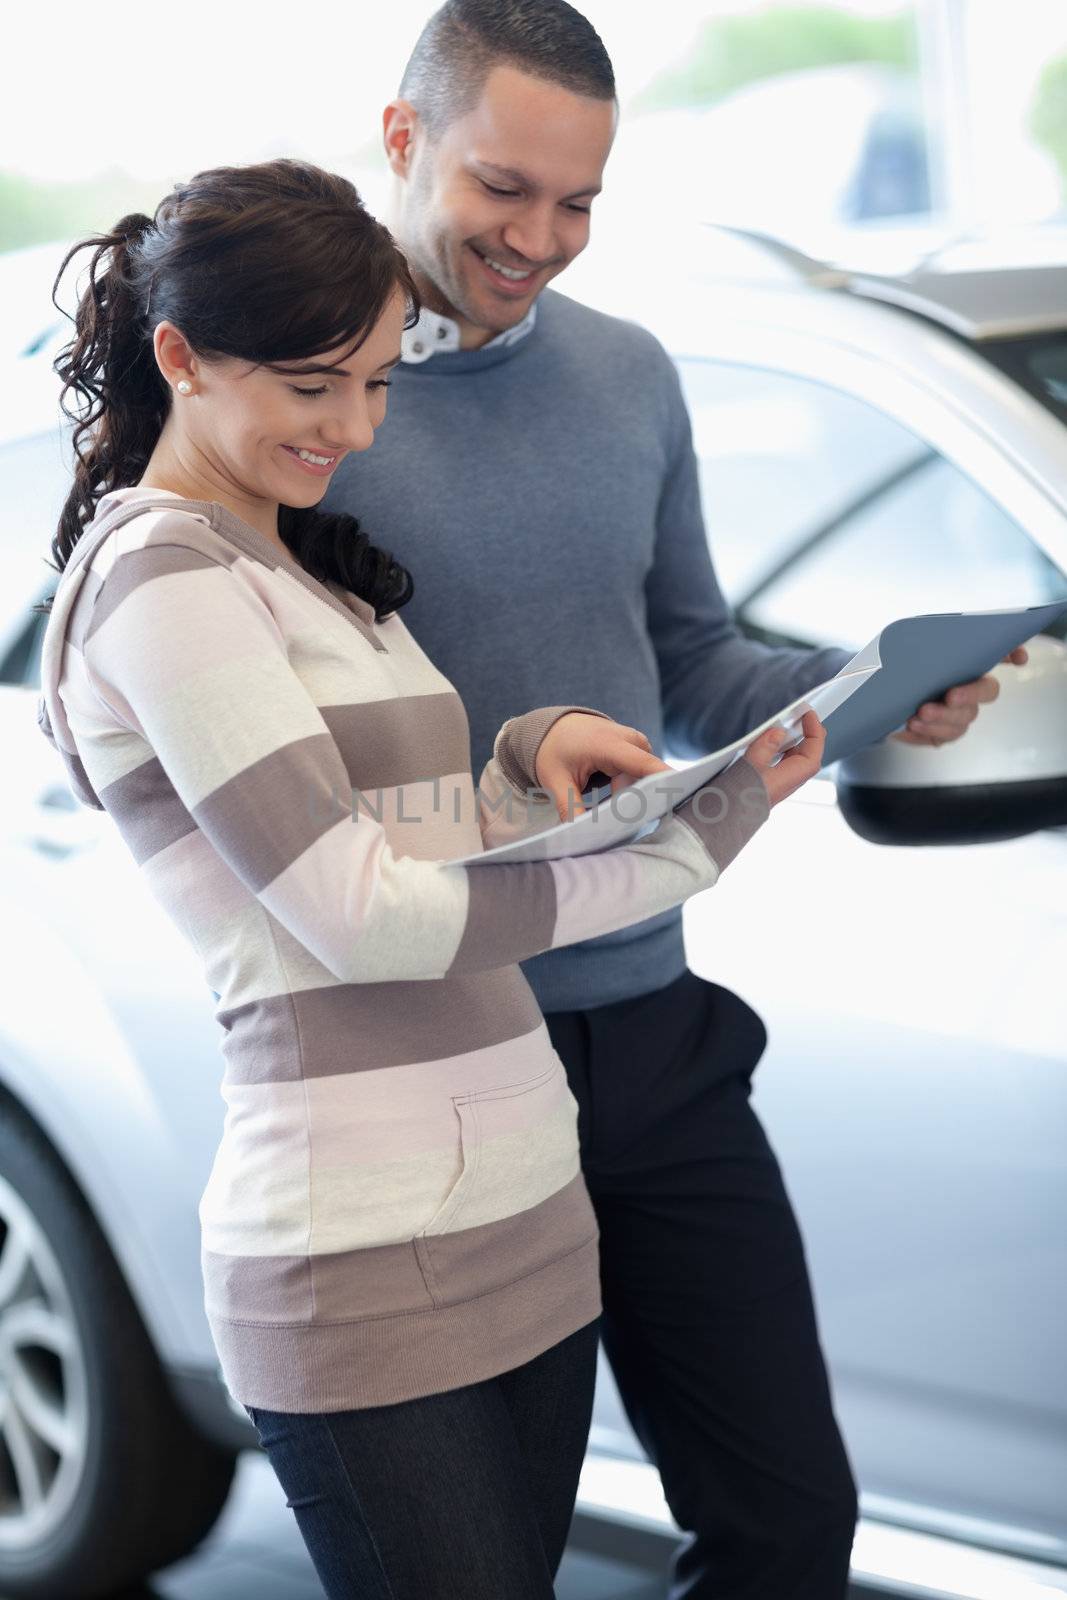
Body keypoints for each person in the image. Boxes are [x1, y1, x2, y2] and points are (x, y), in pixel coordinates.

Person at [35, 158, 826, 1600]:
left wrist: (525, 760)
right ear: (178, 359)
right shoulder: (163, 579)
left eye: (379, 386)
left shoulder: (297, 565)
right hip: (363, 1251)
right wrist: (678, 852)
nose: (352, 429)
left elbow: (409, 832)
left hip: (516, 1215)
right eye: (313, 387)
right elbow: (354, 913)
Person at [320, 4, 1028, 1596]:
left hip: (655, 1028)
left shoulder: (630, 377)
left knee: (789, 1525)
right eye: (507, 189)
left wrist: (864, 686)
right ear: (400, 139)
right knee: (492, 1562)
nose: (542, 240)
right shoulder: (315, 411)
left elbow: (688, 655)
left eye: (580, 203)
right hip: (445, 1049)